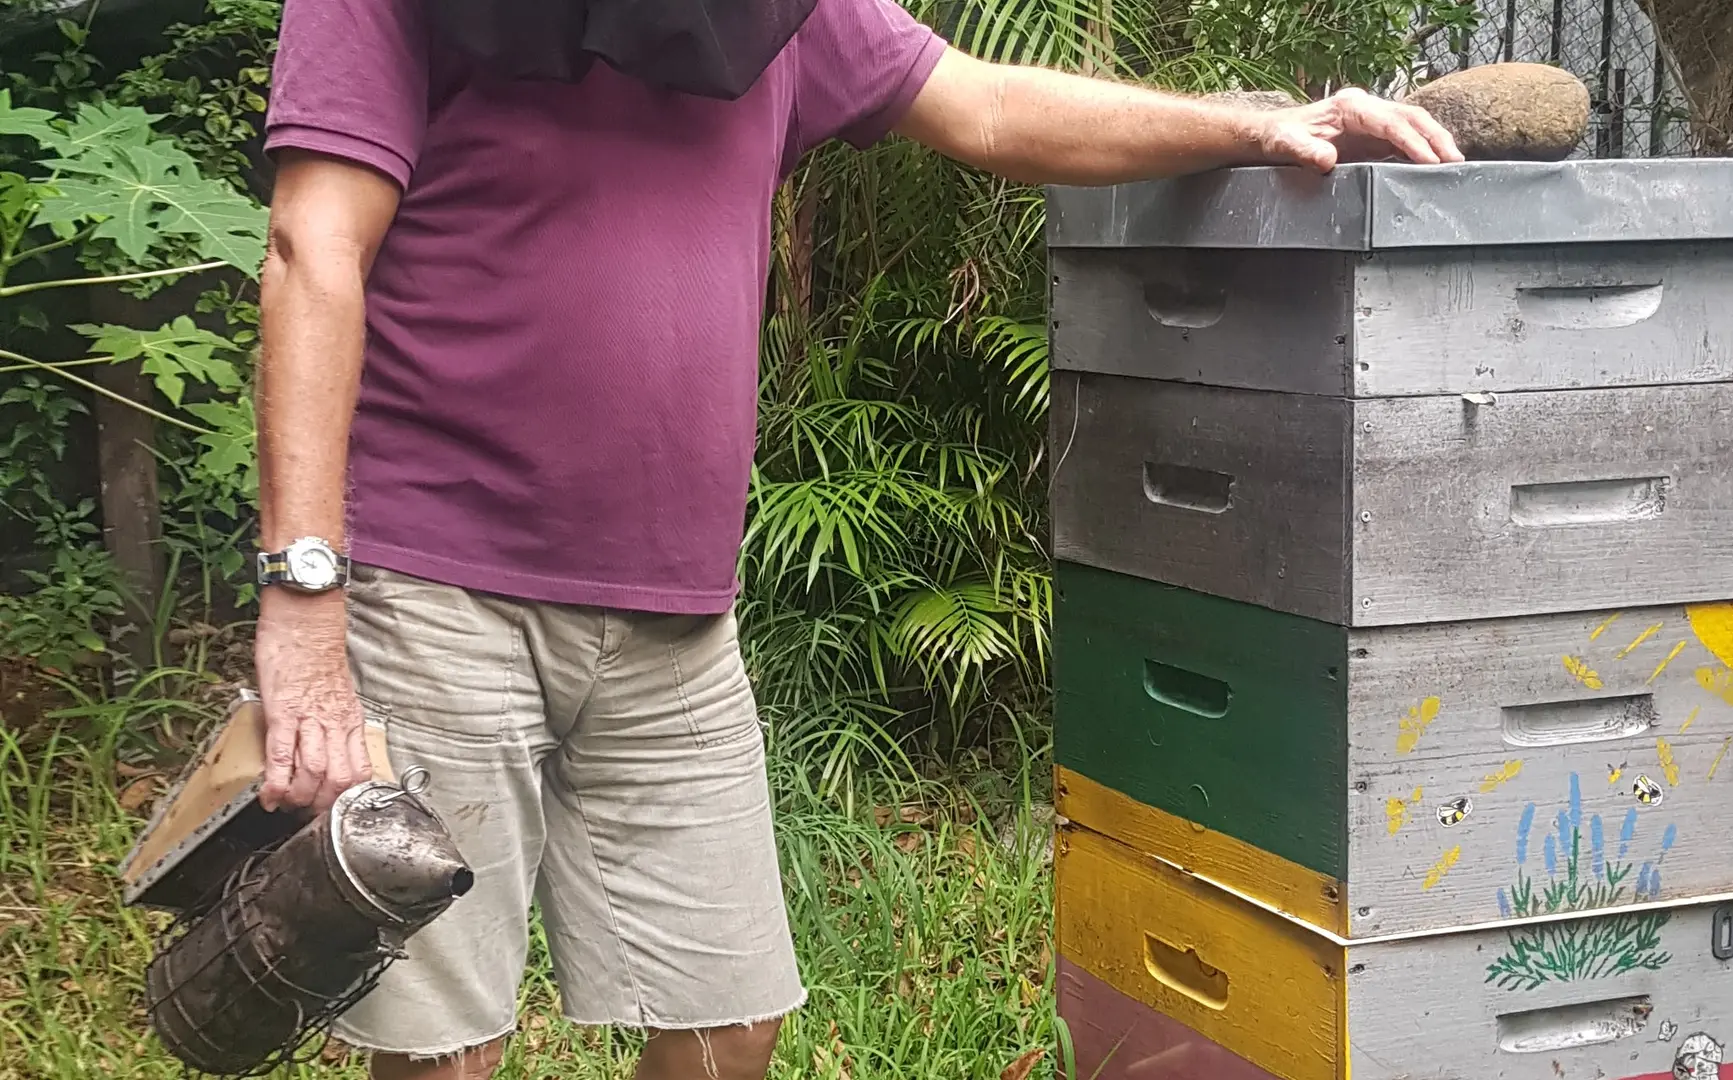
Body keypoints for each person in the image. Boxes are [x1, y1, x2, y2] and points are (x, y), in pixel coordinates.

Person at [253, 1, 1461, 1077]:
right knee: (447, 1045)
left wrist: (1252, 127)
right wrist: (304, 613)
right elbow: (315, 253)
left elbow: (986, 103)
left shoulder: (775, 13)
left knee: (729, 1022)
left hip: (673, 615)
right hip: (439, 582)